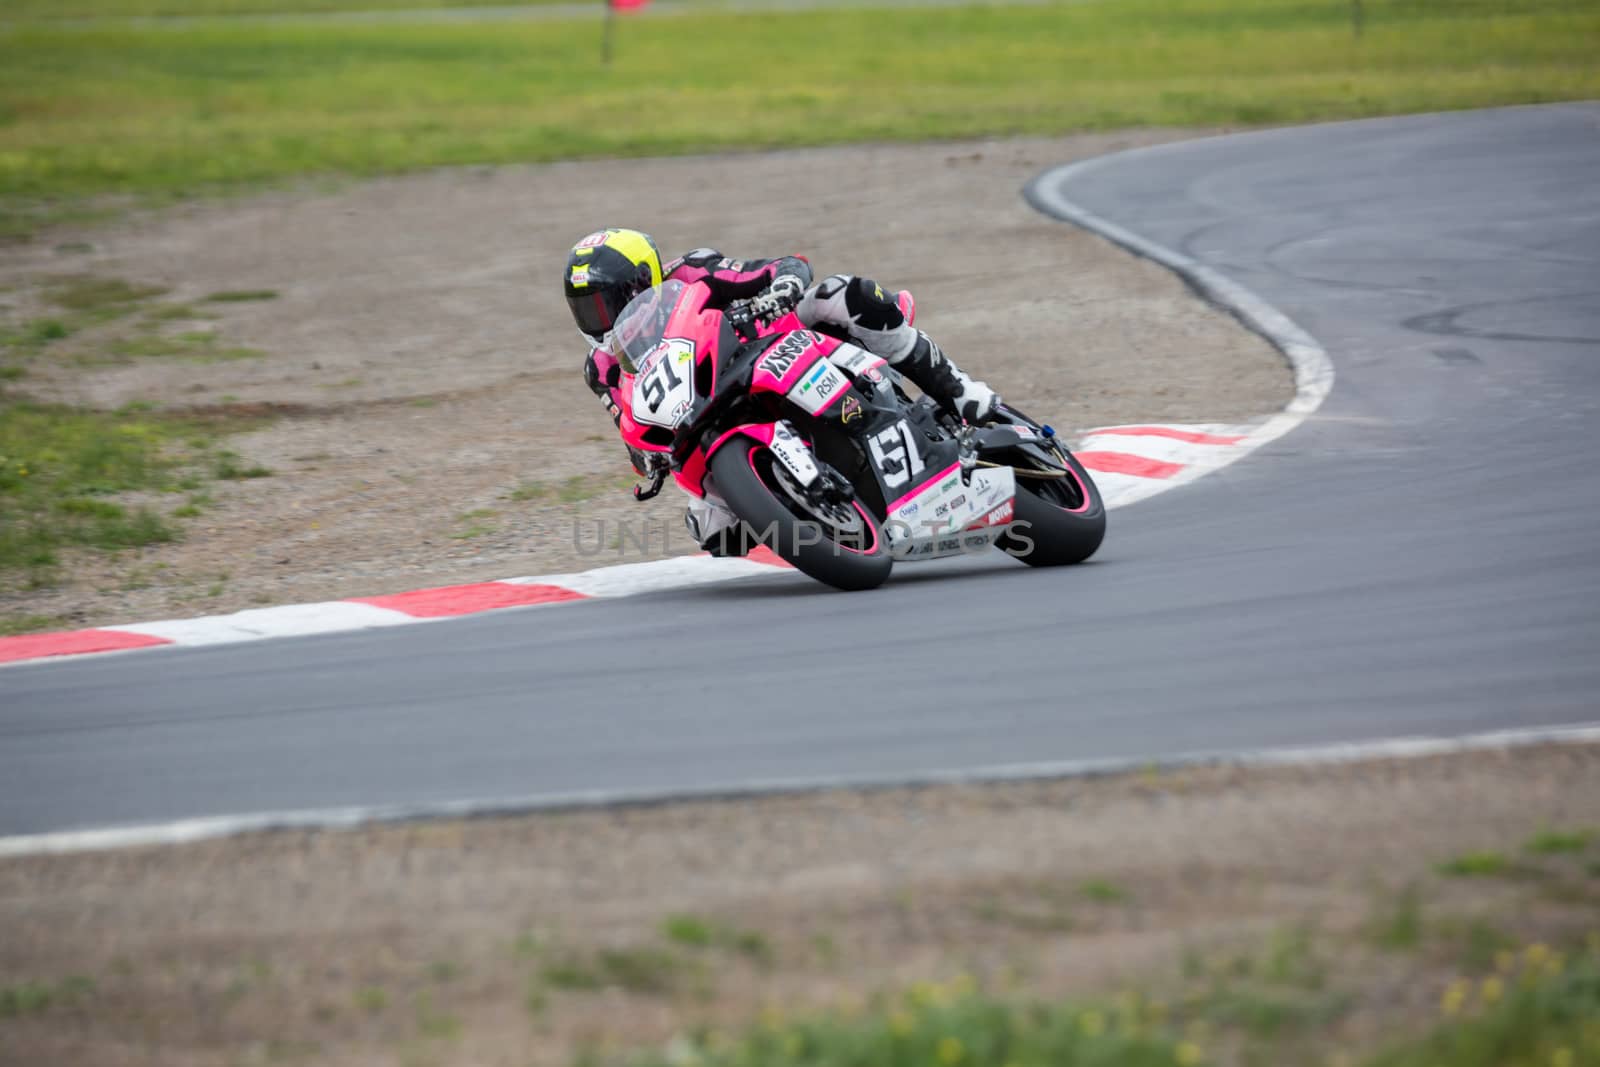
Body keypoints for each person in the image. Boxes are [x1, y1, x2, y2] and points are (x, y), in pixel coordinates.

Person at [563, 227, 999, 553]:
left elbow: (782, 267)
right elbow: (629, 420)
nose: (603, 317)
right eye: (588, 310)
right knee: (717, 537)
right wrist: (647, 460)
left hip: (772, 346)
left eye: (609, 301)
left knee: (842, 293)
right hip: (704, 416)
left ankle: (958, 390)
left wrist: (782, 287)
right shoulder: (600, 367)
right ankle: (802, 513)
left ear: (645, 279)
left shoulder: (694, 270)